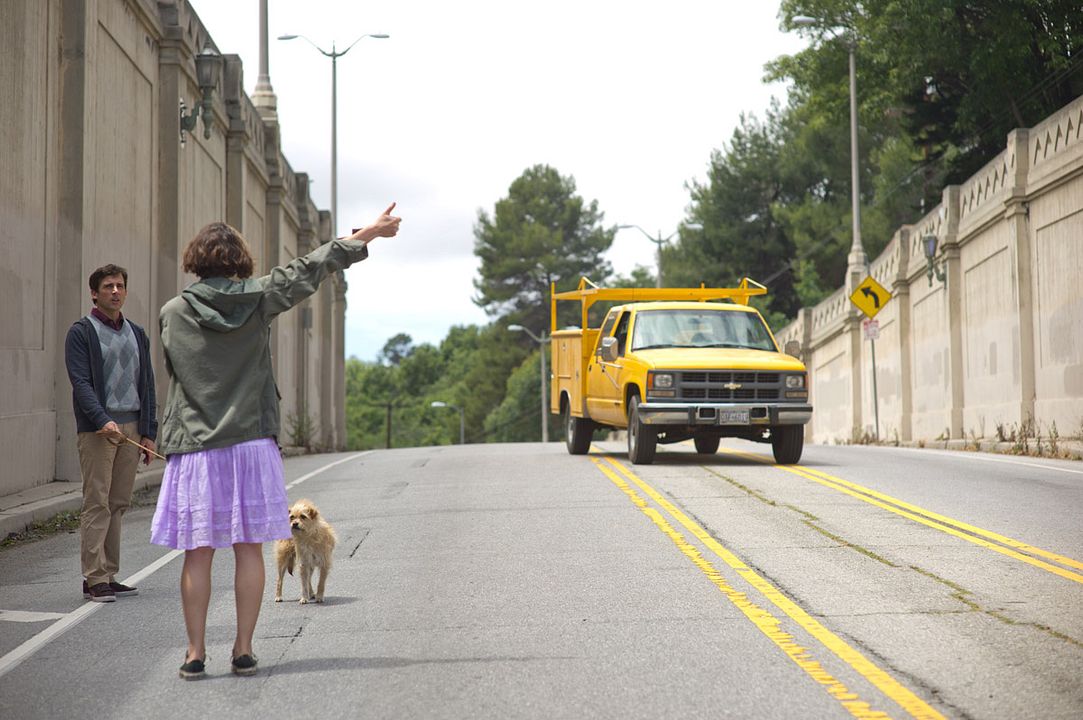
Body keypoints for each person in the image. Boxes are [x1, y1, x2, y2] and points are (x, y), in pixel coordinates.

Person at [151, 203, 402, 680]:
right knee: (248, 549)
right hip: (249, 445)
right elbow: (306, 269)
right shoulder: (257, 298)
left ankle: (194, 652)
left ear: (195, 260)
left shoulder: (174, 312)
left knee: (197, 553)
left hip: (198, 448)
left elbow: (176, 374)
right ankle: (243, 649)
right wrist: (366, 234)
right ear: (240, 261)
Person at [65, 264, 158, 603]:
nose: (115, 291)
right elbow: (81, 383)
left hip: (131, 428)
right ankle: (94, 578)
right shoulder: (81, 332)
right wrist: (102, 418)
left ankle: (109, 573)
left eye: (120, 286)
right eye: (107, 286)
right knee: (97, 502)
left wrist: (148, 433)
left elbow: (147, 384)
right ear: (94, 293)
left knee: (118, 503)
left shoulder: (137, 332)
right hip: (98, 430)